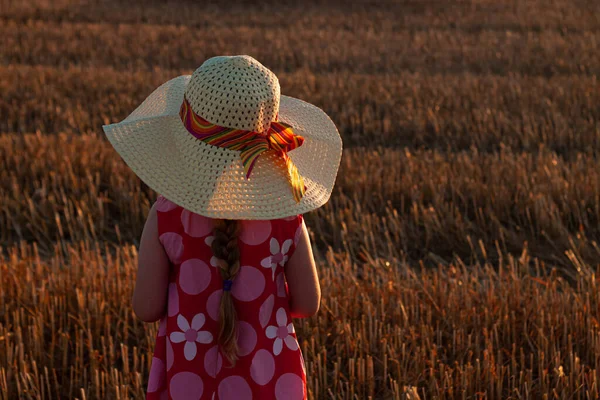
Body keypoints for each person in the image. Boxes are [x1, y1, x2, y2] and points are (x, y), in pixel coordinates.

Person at [102, 55, 343, 399]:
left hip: (188, 381)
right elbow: (308, 302)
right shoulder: (286, 220)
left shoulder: (166, 214)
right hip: (270, 382)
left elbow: (146, 308)